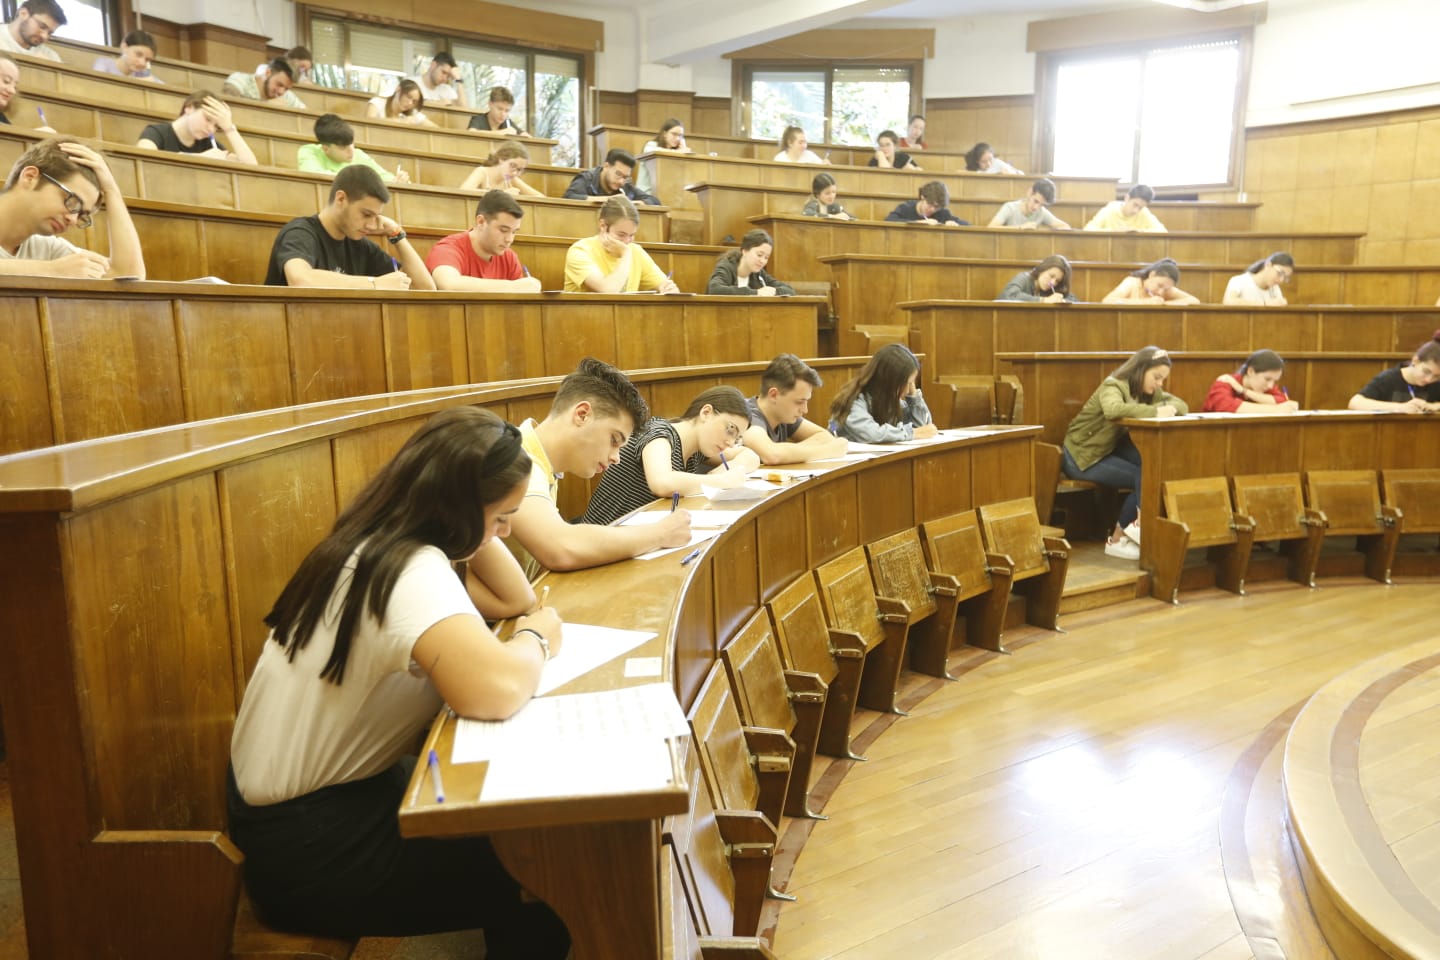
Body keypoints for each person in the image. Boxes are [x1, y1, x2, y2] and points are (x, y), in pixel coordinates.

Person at [226, 406, 571, 957]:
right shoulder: (408, 570)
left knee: (515, 813)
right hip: (309, 845)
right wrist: (537, 640)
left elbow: (515, 599)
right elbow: (497, 690)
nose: (506, 531)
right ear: (456, 506)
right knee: (542, 860)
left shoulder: (381, 544)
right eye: (500, 516)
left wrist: (478, 525)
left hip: (321, 803)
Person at [502, 357, 692, 578]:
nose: (616, 458)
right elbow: (560, 548)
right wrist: (660, 534)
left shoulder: (541, 463)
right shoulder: (517, 456)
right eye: (614, 440)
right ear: (582, 414)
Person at [1062, 346, 1187, 560]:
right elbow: (1113, 410)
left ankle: (1135, 527)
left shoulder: (1146, 391)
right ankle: (1121, 537)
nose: (1159, 384)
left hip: (1107, 450)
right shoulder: (1114, 385)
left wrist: (1169, 407)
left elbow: (1182, 405)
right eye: (1156, 377)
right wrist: (1156, 411)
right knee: (1147, 475)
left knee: (1151, 465)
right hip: (1082, 457)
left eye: (1162, 379)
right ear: (1140, 369)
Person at [580, 386, 761, 526]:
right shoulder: (660, 433)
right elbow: (662, 483)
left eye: (737, 437)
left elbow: (751, 456)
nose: (731, 442)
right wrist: (723, 481)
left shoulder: (699, 449)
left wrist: (717, 476)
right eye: (730, 429)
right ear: (706, 413)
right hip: (600, 538)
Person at [264, 164, 433, 290]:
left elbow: (425, 288)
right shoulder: (300, 233)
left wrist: (396, 234)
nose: (370, 224)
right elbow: (300, 280)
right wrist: (374, 283)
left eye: (376, 216)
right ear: (341, 199)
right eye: (366, 214)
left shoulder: (361, 245)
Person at [0, 136, 145, 280]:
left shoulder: (47, 248)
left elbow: (128, 276)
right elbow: (56, 269)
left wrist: (112, 191)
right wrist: (52, 270)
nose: (73, 219)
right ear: (30, 177)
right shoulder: (54, 265)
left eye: (81, 214)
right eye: (72, 201)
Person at [425, 189, 541, 293]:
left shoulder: (509, 256)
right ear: (481, 222)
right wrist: (514, 286)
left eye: (514, 231)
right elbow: (448, 284)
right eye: (503, 230)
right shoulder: (449, 248)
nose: (509, 239)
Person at [745, 354, 849, 464]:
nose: (805, 410)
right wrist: (829, 451)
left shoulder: (782, 414)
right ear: (773, 395)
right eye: (799, 402)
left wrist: (788, 452)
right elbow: (772, 455)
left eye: (806, 401)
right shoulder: (747, 415)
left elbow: (824, 436)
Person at [563, 195, 678, 293]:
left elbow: (667, 287)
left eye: (632, 235)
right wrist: (626, 254)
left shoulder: (636, 251)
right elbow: (609, 291)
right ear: (603, 226)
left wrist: (668, 289)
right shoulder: (580, 251)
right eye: (621, 235)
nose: (627, 241)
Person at [828, 344, 938, 443]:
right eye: (906, 384)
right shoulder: (853, 400)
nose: (907, 391)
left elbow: (923, 428)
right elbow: (872, 434)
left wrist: (914, 396)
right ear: (888, 381)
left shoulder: (890, 399)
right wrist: (911, 433)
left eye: (911, 383)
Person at [136, 90, 258, 165]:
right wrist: (203, 158)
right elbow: (144, 162)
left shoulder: (209, 143)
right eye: (207, 119)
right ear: (189, 108)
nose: (211, 129)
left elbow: (250, 166)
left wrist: (229, 128)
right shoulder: (156, 133)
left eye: (216, 126)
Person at [297, 113, 406, 183]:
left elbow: (383, 177)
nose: (351, 150)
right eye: (343, 147)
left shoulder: (358, 155)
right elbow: (312, 173)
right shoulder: (308, 151)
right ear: (326, 148)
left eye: (352, 143)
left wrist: (398, 180)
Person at [1347, 332, 1440, 414]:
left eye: (1436, 376)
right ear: (1415, 361)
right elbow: (1355, 403)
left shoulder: (1437, 384)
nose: (1429, 379)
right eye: (1426, 372)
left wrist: (1432, 406)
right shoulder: (1388, 379)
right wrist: (1400, 407)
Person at [1202, 349, 1300, 414]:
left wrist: (1244, 391)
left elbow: (1282, 400)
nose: (1270, 386)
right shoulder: (1225, 381)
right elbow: (1226, 406)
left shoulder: (1266, 387)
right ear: (1251, 371)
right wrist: (1276, 410)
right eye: (1267, 379)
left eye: (1274, 381)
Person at [706, 229, 795, 296]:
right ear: (744, 251)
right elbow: (715, 289)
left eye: (766, 257)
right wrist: (756, 292)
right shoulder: (726, 267)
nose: (762, 261)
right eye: (759, 255)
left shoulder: (759, 274)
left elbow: (790, 290)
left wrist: (774, 291)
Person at [562, 148, 661, 205]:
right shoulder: (587, 178)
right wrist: (610, 200)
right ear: (606, 166)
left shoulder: (625, 186)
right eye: (618, 174)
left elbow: (654, 201)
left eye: (625, 177)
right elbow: (569, 198)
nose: (621, 181)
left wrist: (636, 203)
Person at [459, 140, 542, 197]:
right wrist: (502, 194)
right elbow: (463, 191)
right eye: (512, 166)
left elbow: (540, 197)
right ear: (501, 159)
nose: (515, 173)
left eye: (519, 169)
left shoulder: (511, 179)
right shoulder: (482, 172)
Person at [1102, 258, 1200, 306]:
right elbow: (1107, 301)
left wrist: (1165, 304)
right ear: (1152, 275)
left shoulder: (1167, 289)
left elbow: (1195, 301)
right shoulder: (1132, 282)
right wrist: (1146, 302)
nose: (1161, 292)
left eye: (1165, 289)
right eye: (1159, 285)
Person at [634, 118, 691, 196]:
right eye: (674, 134)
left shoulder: (676, 153)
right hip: (645, 194)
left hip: (666, 194)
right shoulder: (651, 145)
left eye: (680, 136)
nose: (677, 138)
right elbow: (653, 152)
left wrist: (683, 150)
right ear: (664, 134)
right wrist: (678, 152)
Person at [988, 178, 1071, 230]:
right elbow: (991, 227)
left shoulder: (1042, 212)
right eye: (1036, 201)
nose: (1036, 208)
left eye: (1042, 205)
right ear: (1030, 193)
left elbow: (1065, 227)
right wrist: (1020, 228)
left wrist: (1045, 229)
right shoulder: (1010, 207)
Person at [224, 59, 305, 109]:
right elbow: (230, 104)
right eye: (279, 84)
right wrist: (265, 105)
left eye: (286, 88)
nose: (282, 92)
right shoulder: (240, 79)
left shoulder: (287, 96)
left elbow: (306, 116)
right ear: (268, 73)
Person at [0, 0, 65, 62]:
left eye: (50, 33)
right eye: (42, 27)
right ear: (23, 14)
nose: (44, 36)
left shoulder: (50, 57)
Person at [1084, 184, 1166, 232]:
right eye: (1135, 205)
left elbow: (1162, 231)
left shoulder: (1144, 212)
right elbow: (1088, 229)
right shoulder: (1110, 209)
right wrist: (1114, 232)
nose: (1136, 211)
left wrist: (1140, 232)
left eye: (1140, 208)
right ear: (1127, 198)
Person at [1223, 252, 1294, 306]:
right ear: (1268, 265)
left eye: (1285, 277)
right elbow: (1228, 301)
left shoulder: (1275, 288)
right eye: (1280, 273)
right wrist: (1264, 304)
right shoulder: (1239, 281)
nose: (1281, 280)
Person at [886, 181, 968, 226]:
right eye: (930, 204)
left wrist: (954, 224)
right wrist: (919, 223)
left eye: (936, 207)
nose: (932, 209)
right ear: (922, 197)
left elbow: (967, 224)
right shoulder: (905, 208)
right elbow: (889, 220)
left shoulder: (943, 213)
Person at [999, 255, 1075, 303]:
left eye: (1057, 281)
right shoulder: (1024, 278)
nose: (1052, 283)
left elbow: (1074, 301)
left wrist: (1062, 301)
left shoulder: (1055, 289)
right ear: (1042, 269)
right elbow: (1009, 295)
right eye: (1051, 276)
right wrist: (1043, 300)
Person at [93, 30, 160, 82]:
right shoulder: (103, 64)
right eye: (138, 54)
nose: (142, 63)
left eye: (147, 60)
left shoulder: (142, 74)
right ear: (124, 47)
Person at [365, 79, 433, 127]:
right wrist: (400, 121)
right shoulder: (377, 102)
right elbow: (370, 121)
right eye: (408, 97)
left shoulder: (412, 113)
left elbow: (434, 128)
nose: (410, 103)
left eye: (414, 101)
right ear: (398, 90)